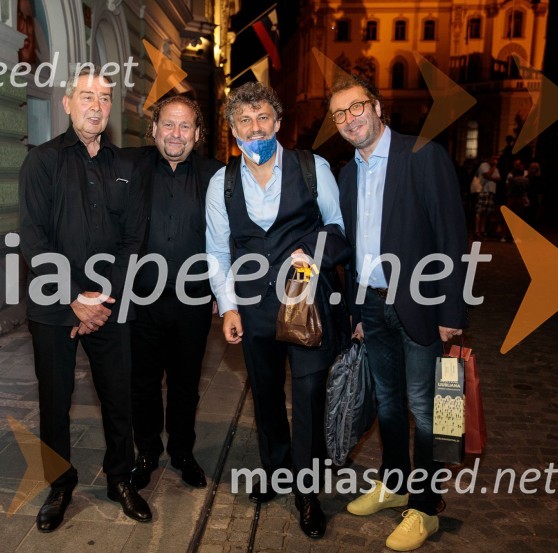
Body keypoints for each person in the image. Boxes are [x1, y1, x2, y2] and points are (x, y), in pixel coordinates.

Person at [329, 73, 468, 552]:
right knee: (387, 404)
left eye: (356, 107)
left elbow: (452, 236)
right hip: (372, 303)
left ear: (377, 106)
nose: (350, 119)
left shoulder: (421, 154)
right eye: (340, 114)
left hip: (422, 307)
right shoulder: (348, 173)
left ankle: (426, 509)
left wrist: (453, 308)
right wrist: (357, 310)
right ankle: (394, 484)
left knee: (426, 411)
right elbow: (351, 246)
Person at [206, 81, 348, 540]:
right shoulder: (221, 182)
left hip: (306, 306)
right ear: (232, 129)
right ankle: (276, 469)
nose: (255, 127)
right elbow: (216, 252)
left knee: (307, 394)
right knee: (265, 395)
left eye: (263, 117)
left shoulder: (312, 168)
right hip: (253, 310)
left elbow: (339, 229)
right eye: (244, 121)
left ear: (279, 123)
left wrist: (311, 249)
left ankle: (306, 492)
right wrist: (227, 307)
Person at [19, 65, 151, 531]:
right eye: (88, 96)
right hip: (53, 304)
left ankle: (120, 478)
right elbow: (33, 239)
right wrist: (75, 297)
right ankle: (59, 483)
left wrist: (102, 296)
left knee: (119, 396)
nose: (97, 106)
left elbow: (134, 238)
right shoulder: (42, 162)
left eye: (105, 98)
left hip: (110, 304)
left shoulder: (127, 167)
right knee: (55, 398)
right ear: (67, 103)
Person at [124, 96, 224, 490]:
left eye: (185, 127)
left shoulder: (216, 175)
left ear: (198, 134)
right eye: (168, 124)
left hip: (193, 300)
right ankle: (147, 451)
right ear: (154, 129)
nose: (176, 134)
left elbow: (229, 237)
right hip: (141, 298)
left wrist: (224, 288)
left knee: (185, 384)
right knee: (143, 382)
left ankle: (182, 452)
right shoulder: (130, 168)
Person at [473, 154, 501, 238]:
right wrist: (494, 167)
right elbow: (487, 175)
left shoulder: (495, 168)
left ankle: (482, 230)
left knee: (486, 212)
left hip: (491, 191)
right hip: (483, 190)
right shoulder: (484, 165)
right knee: (480, 211)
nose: (495, 160)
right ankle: (477, 231)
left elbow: (499, 178)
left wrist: (491, 176)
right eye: (494, 158)